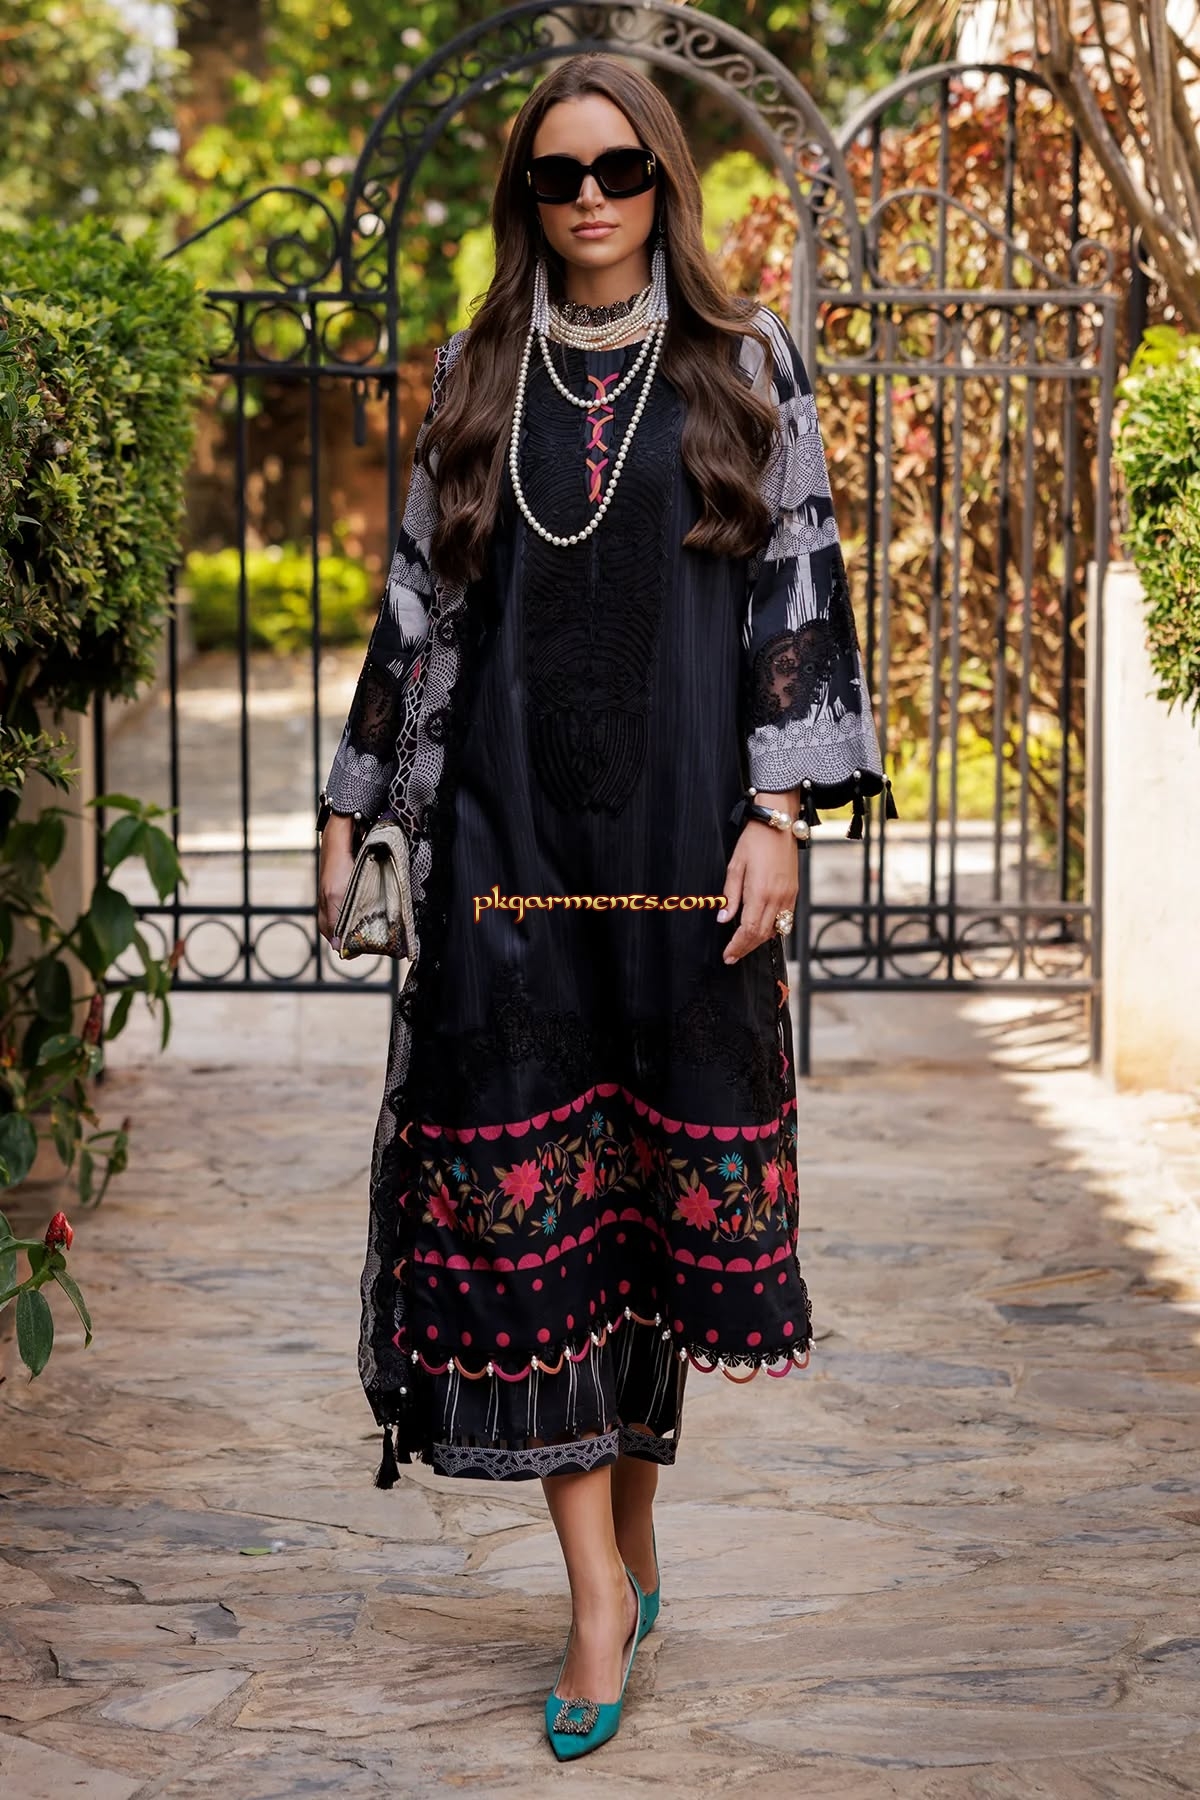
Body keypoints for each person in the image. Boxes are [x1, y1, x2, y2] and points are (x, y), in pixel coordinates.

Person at [317, 52, 887, 1759]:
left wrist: (779, 814)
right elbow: (418, 604)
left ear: (663, 183)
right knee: (523, 1229)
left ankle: (634, 1536)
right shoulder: (476, 371)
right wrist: (356, 809)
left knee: (648, 1222)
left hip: (688, 853)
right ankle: (589, 1600)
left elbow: (798, 588)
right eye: (558, 173)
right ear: (527, 192)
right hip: (507, 857)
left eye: (619, 169)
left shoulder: (741, 362)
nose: (588, 199)